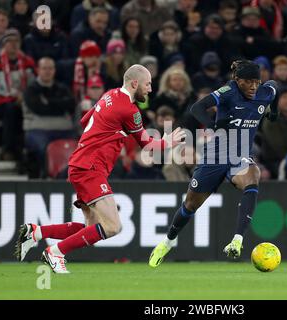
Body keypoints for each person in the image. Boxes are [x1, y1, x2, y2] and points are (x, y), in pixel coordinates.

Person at [14, 65, 186, 273]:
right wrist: (168, 142)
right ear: (135, 83)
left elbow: (85, 120)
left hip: (82, 163)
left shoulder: (109, 95)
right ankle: (55, 252)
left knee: (91, 229)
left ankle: (35, 232)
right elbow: (148, 145)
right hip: (91, 167)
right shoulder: (129, 110)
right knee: (113, 227)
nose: (150, 89)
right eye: (147, 84)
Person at [148, 60, 278, 267]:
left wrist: (274, 111)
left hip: (240, 155)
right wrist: (213, 125)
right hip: (214, 157)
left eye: (256, 82)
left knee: (253, 175)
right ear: (237, 80)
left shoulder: (265, 92)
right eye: (248, 82)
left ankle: (237, 241)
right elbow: (197, 107)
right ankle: (167, 242)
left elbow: (274, 87)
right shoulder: (228, 91)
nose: (253, 87)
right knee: (190, 205)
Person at [0, 28, 36, 160]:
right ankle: (8, 149)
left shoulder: (28, 62)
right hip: (3, 103)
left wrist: (25, 98)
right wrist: (8, 100)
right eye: (9, 41)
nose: (13, 44)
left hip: (25, 100)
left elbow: (36, 84)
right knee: (10, 110)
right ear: (3, 45)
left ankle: (27, 151)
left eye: (16, 41)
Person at [22, 57, 76, 178]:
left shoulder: (62, 88)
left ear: (54, 70)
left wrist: (48, 102)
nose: (47, 71)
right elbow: (39, 109)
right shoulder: (31, 90)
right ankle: (45, 178)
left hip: (65, 131)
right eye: (44, 68)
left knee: (80, 149)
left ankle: (71, 178)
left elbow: (71, 104)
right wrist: (60, 105)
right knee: (42, 149)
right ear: (38, 70)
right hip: (38, 130)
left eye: (50, 68)